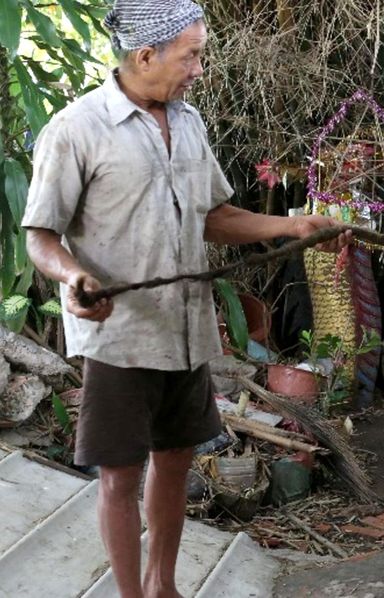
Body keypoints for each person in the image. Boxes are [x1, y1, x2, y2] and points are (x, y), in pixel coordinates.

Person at [20, 2, 350, 596]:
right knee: (120, 476)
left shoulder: (190, 123)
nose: (199, 67)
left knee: (173, 464)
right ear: (146, 55)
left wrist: (290, 228)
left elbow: (216, 217)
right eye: (191, 53)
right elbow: (41, 236)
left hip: (186, 331)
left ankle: (162, 585)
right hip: (121, 337)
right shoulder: (77, 128)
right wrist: (73, 278)